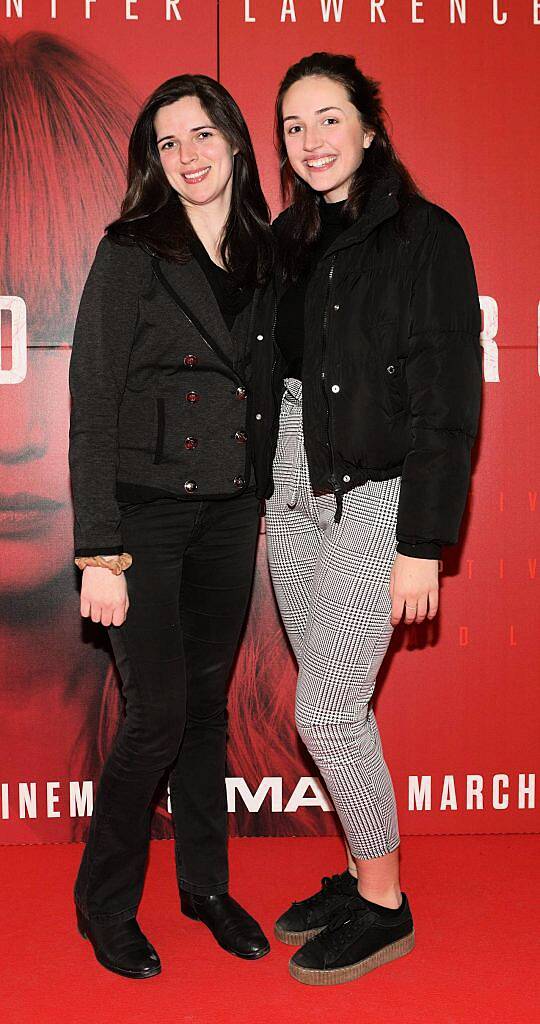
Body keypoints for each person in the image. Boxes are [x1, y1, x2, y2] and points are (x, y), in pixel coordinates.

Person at [248, 52, 482, 985]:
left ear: (369, 126)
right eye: (293, 128)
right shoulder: (286, 241)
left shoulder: (428, 237)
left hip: (378, 490)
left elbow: (448, 399)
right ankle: (357, 872)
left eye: (328, 119)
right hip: (292, 486)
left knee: (327, 707)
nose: (311, 142)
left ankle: (385, 902)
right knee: (331, 695)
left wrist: (423, 543)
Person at [69, 73, 274, 978]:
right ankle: (103, 903)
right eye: (168, 143)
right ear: (154, 162)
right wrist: (99, 549)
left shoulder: (270, 254)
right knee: (154, 720)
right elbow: (94, 401)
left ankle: (204, 888)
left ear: (234, 141)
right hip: (144, 518)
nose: (188, 156)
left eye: (201, 135)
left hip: (232, 512)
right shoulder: (130, 251)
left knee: (204, 715)